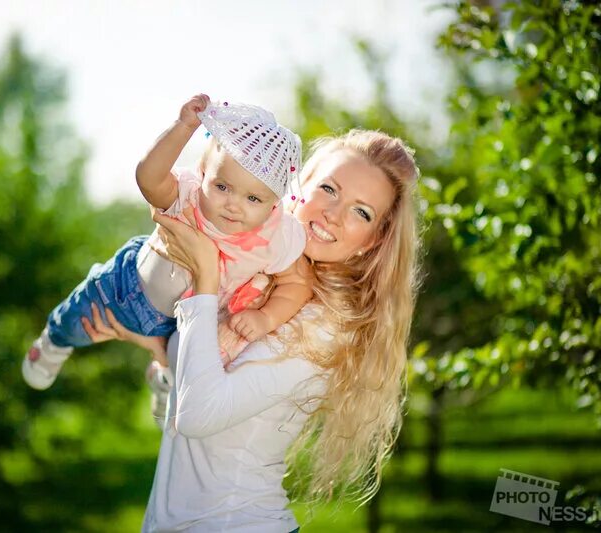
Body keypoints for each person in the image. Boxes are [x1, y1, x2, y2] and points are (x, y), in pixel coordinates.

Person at [83, 129, 422, 532]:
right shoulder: (256, 277)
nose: (333, 212)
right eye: (329, 188)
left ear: (373, 240)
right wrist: (159, 349)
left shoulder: (327, 328)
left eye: (361, 212)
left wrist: (205, 274)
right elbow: (195, 442)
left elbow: (198, 417)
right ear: (298, 186)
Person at [21, 95, 316, 391]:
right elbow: (148, 179)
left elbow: (297, 284)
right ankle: (52, 343)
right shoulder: (188, 197)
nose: (233, 205)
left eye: (253, 198)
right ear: (203, 173)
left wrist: (266, 317)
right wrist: (182, 127)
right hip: (125, 289)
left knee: (192, 366)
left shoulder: (276, 235)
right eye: (222, 186)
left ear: (275, 203)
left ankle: (162, 379)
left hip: (183, 325)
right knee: (77, 323)